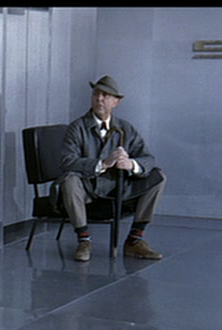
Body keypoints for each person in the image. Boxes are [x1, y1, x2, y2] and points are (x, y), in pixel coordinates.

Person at [50, 75, 166, 262]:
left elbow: (148, 158)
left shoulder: (125, 128)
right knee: (69, 181)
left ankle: (135, 239)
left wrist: (131, 164)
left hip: (118, 187)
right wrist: (102, 164)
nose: (99, 99)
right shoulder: (77, 128)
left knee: (158, 177)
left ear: (116, 102)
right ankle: (84, 240)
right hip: (88, 187)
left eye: (105, 95)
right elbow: (67, 161)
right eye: (96, 94)